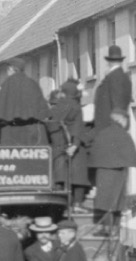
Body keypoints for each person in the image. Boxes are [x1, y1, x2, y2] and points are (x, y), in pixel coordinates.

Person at [89, 109, 136, 235]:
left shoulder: (102, 133)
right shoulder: (122, 134)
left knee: (104, 201)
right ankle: (113, 228)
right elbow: (130, 154)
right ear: (121, 119)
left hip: (102, 172)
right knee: (117, 202)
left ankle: (106, 227)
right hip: (118, 173)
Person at [46, 80, 90, 211]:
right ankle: (77, 204)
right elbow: (78, 127)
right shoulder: (76, 106)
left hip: (58, 144)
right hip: (73, 145)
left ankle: (62, 203)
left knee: (61, 176)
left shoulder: (58, 106)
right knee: (79, 175)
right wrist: (75, 145)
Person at [0, 58, 49, 145]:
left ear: (11, 69)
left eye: (7, 69)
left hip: (11, 132)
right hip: (32, 130)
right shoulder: (32, 83)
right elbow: (43, 109)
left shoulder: (7, 84)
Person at [93, 45, 132, 133]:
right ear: (121, 61)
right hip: (113, 129)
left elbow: (117, 108)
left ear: (109, 62)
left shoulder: (113, 77)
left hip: (108, 130)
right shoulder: (124, 78)